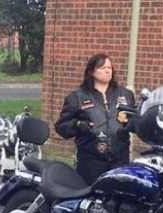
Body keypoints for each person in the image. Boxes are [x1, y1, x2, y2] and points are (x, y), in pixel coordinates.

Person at [54, 53, 136, 184]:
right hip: (91, 161)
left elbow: (135, 120)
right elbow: (61, 126)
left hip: (120, 159)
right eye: (102, 68)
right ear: (92, 71)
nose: (107, 71)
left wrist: (132, 123)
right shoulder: (77, 96)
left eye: (110, 67)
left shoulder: (125, 94)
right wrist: (78, 125)